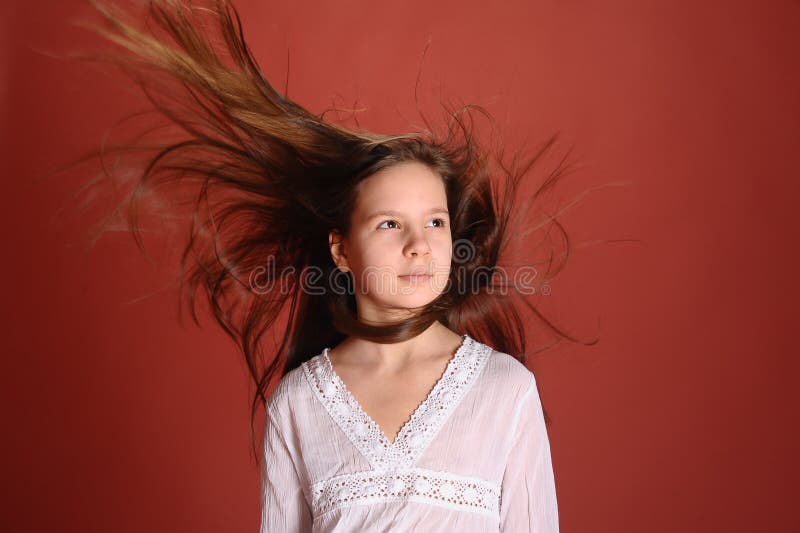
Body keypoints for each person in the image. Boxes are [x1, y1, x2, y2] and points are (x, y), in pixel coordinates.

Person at [71, 0, 581, 530]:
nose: (419, 246)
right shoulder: (299, 403)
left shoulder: (505, 389)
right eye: (389, 224)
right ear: (340, 250)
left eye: (435, 223)